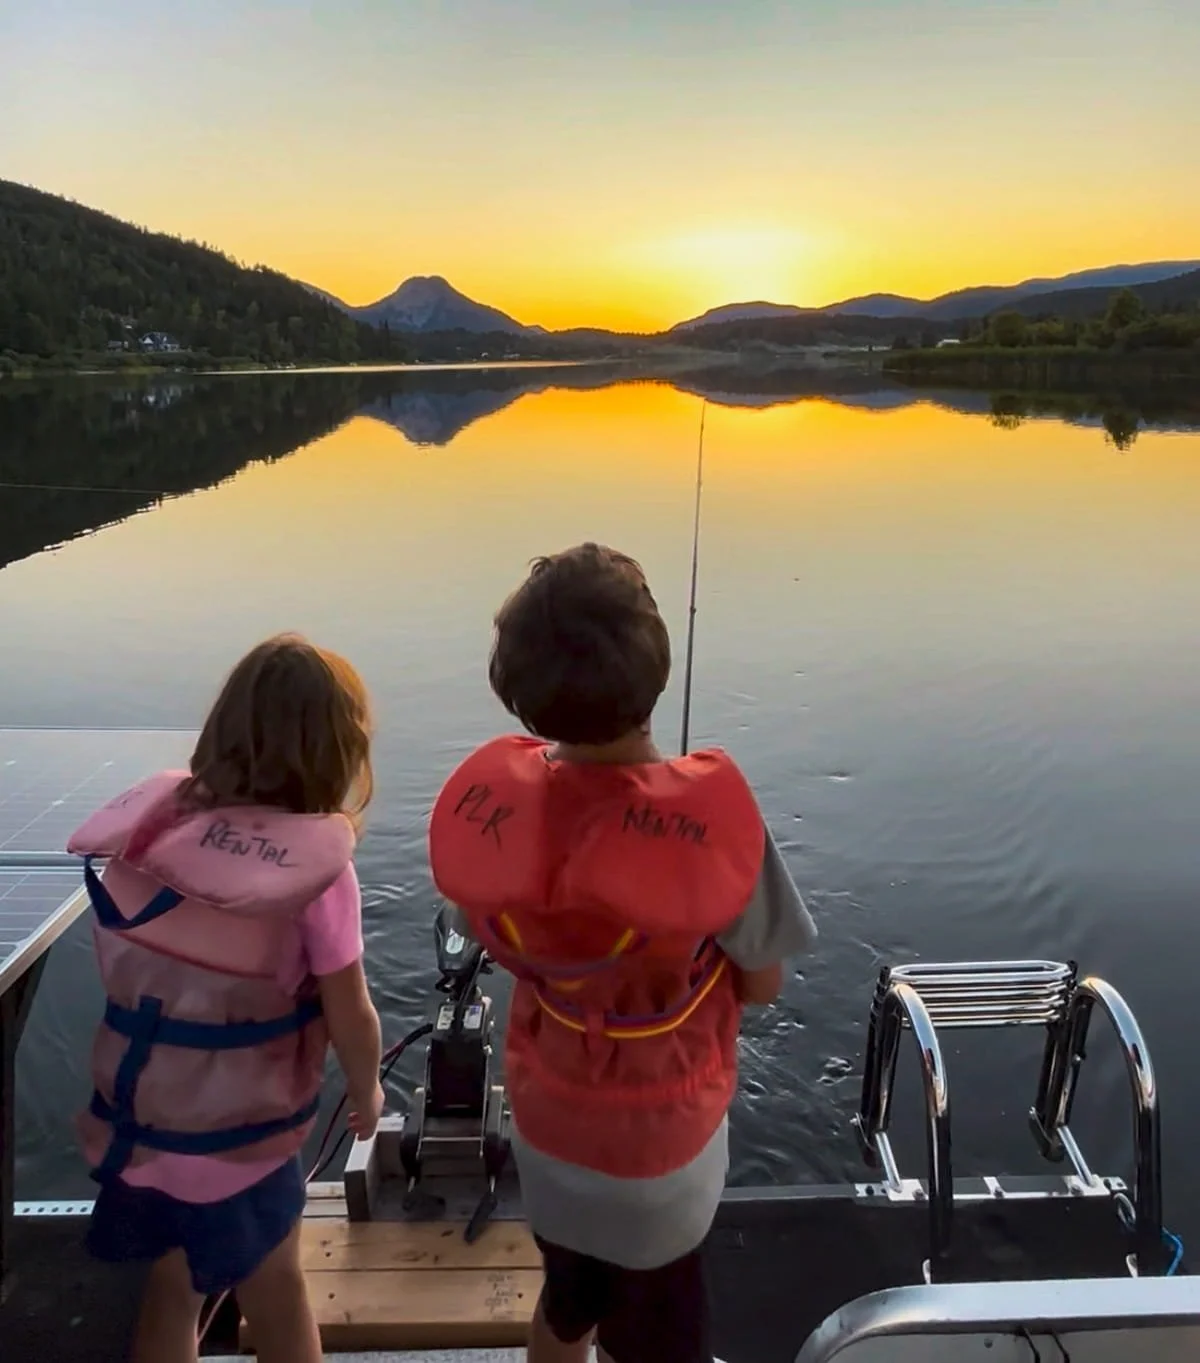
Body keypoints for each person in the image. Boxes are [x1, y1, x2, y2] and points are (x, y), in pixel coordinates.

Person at [428, 543, 817, 1363]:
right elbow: (764, 985)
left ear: (522, 695)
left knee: (568, 1305)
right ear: (655, 673)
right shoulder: (716, 835)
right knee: (663, 1340)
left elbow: (487, 923)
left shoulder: (499, 821)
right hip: (661, 1159)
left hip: (548, 1131)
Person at [67, 634, 384, 1363]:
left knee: (174, 1290)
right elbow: (351, 1012)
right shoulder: (320, 879)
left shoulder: (150, 840)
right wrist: (367, 1086)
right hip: (238, 1146)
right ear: (339, 752)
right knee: (277, 1293)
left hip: (139, 1127)